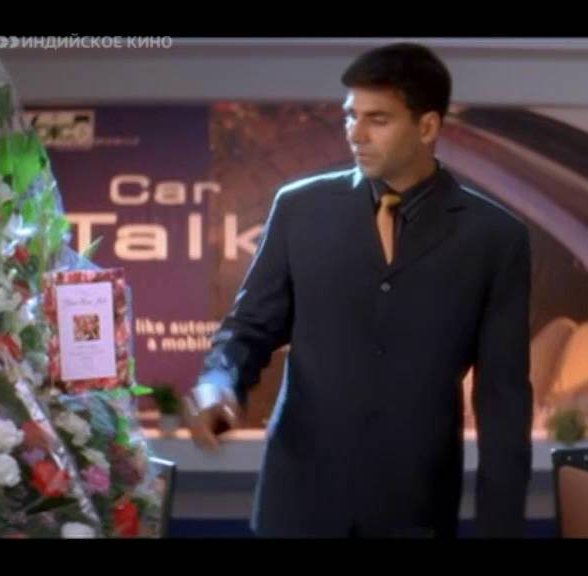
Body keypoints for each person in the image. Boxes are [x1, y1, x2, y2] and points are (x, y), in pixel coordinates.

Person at [184, 42, 532, 538]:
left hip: (415, 510)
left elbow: (503, 400)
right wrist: (218, 385)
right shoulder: (300, 210)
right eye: (351, 116)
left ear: (428, 126)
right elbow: (248, 328)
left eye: (377, 119)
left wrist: (501, 528)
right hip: (297, 509)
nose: (355, 133)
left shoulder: (494, 237)